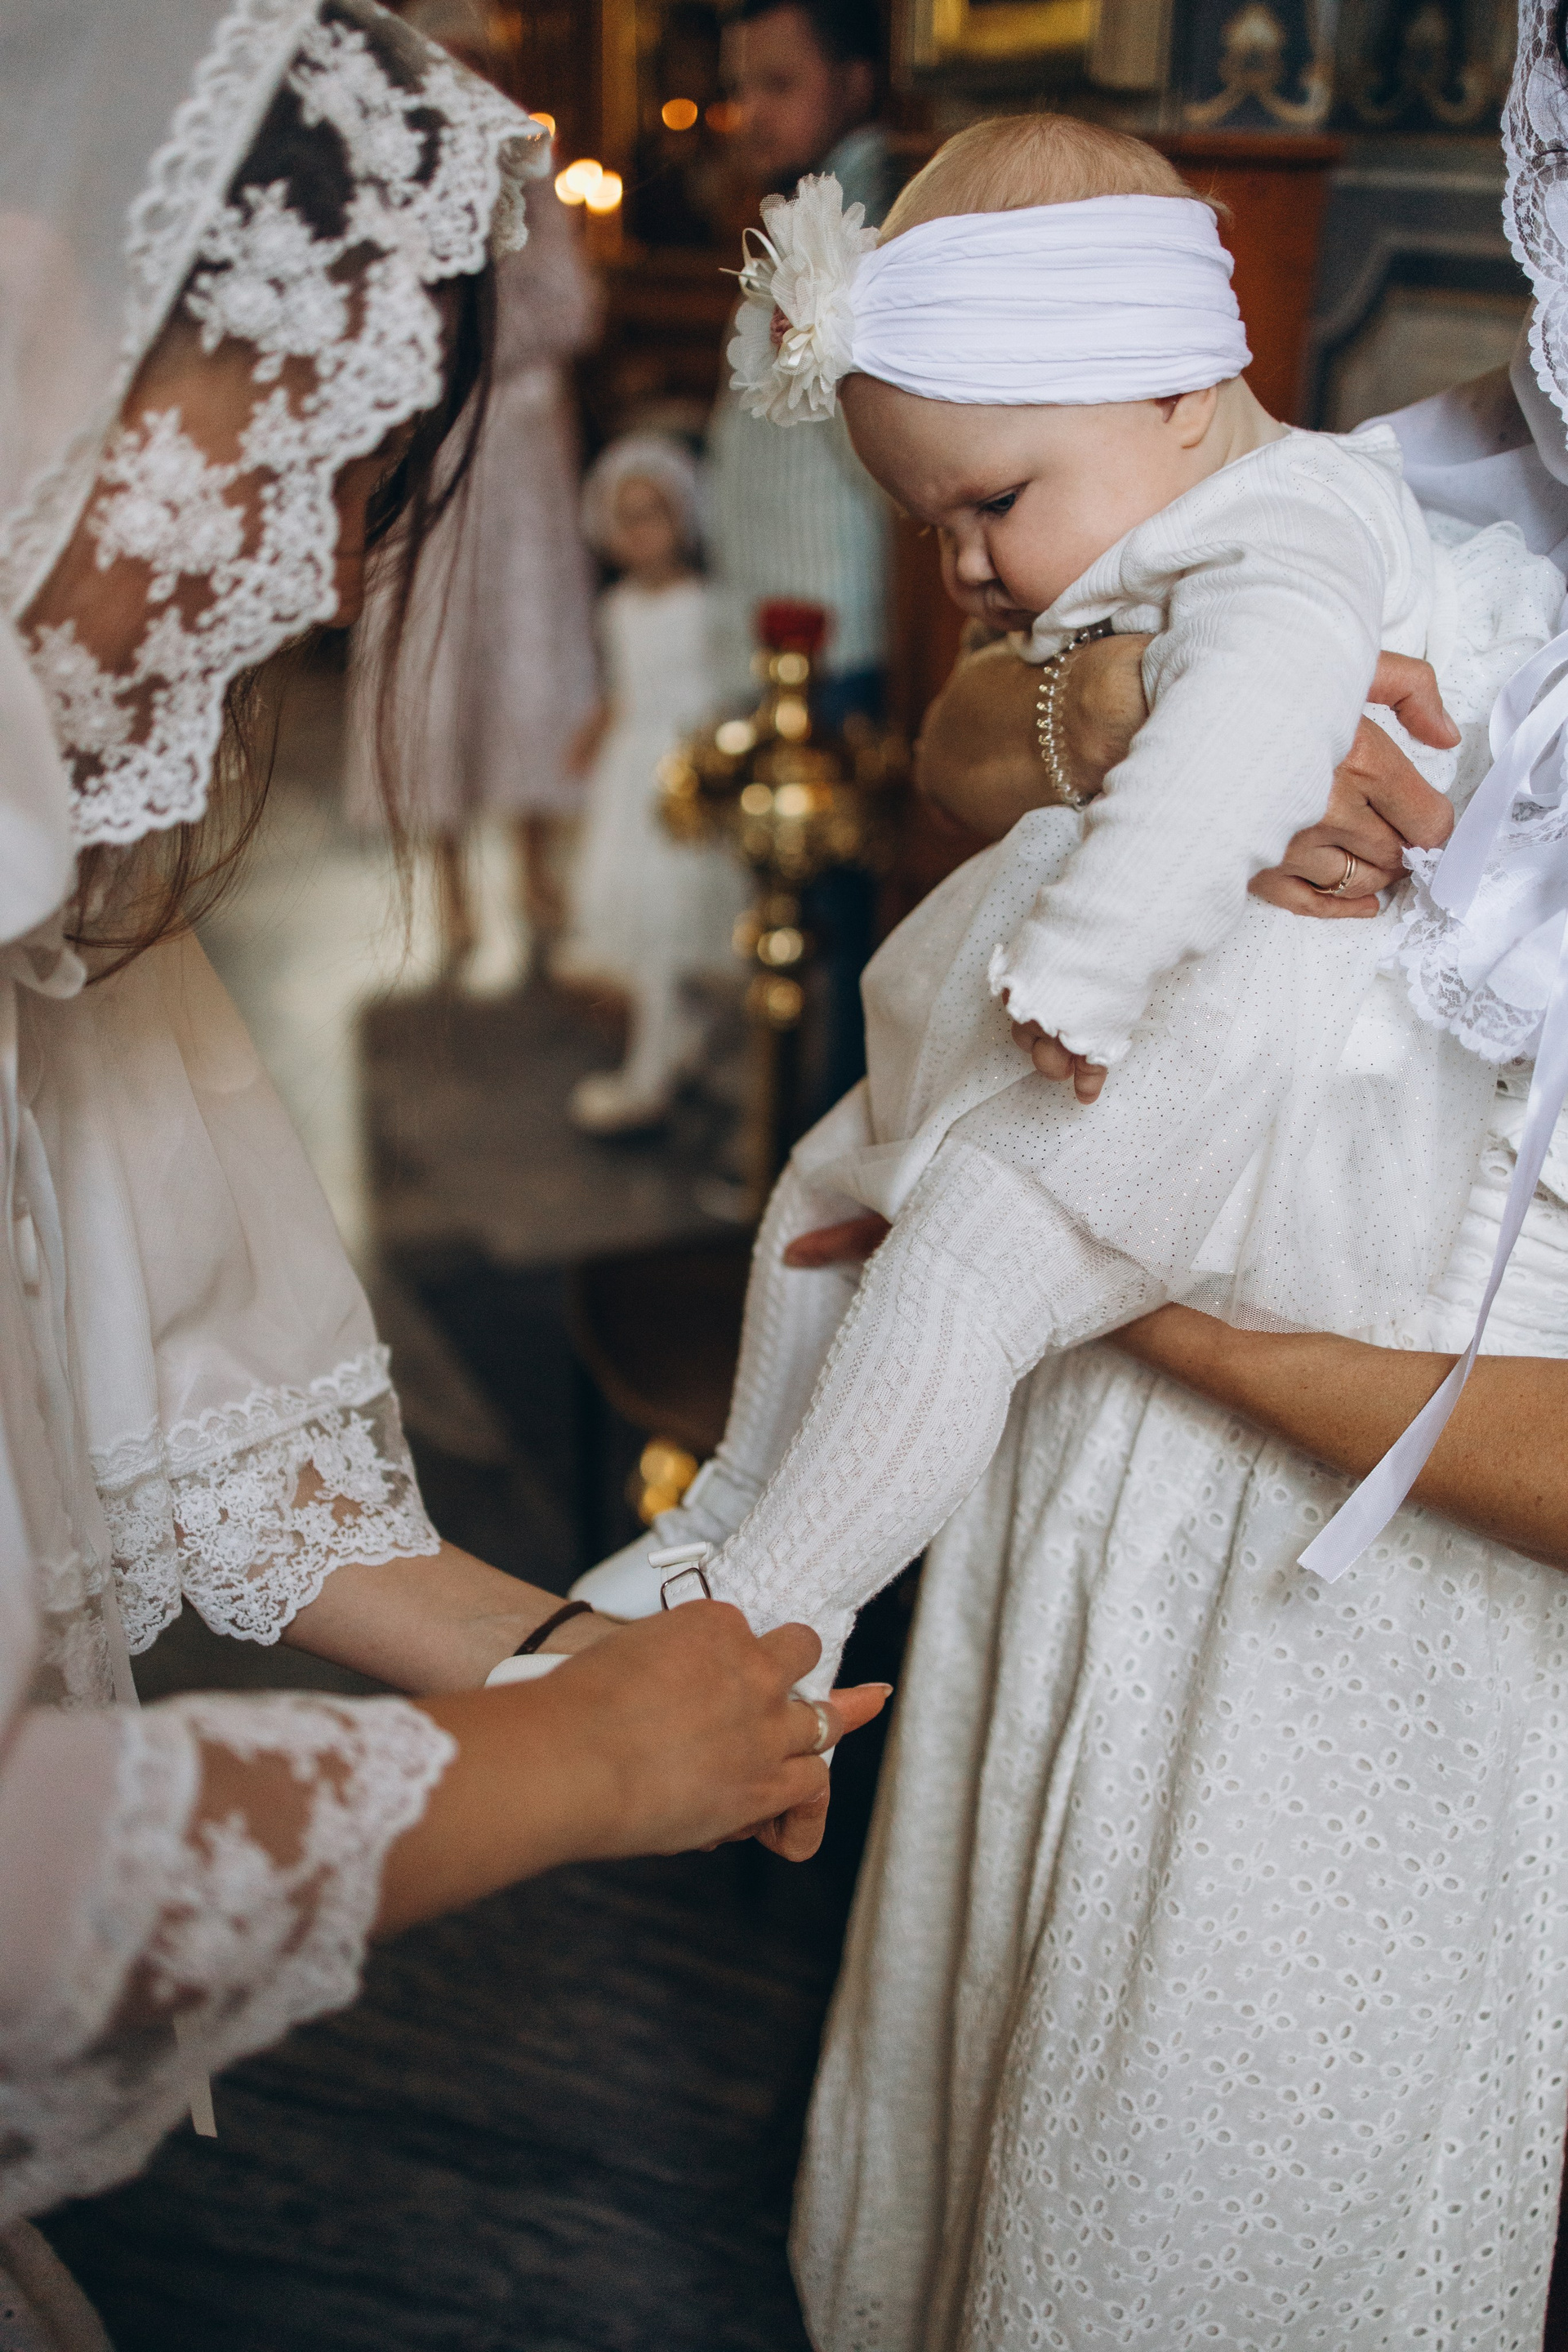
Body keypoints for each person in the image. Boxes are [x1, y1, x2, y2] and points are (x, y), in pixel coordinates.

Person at [581, 91, 1568, 2350]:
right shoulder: (1420, 465)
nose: (964, 554)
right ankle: (735, 1548)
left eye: (983, 513)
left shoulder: (1278, 494)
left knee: (1191, 2175)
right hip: (1079, 1441)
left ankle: (752, 1613)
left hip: (1368, 1545)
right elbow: (959, 738)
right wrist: (1113, 704)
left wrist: (1130, 1289)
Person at [0, 0, 888, 2278]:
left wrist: (606, 1661)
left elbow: (207, 1423)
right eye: (307, 453)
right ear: (47, 318)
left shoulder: (46, 872)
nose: (321, 578)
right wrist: (585, 1766)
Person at [345, 56, 600, 978]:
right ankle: (448, 884)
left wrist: (472, 328)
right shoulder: (385, 164)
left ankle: (535, 866)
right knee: (434, 649)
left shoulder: (526, 161)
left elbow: (573, 307)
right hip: (427, 443)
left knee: (527, 645)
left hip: (517, 447)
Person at [554, 434, 749, 1134]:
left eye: (654, 513)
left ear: (684, 517)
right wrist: (592, 732)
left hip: (687, 774)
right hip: (632, 776)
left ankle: (655, 1067)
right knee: (645, 917)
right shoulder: (616, 609)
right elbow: (622, 690)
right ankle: (668, 1045)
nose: (640, 531)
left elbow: (727, 688)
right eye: (626, 517)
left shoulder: (708, 602)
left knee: (678, 911)